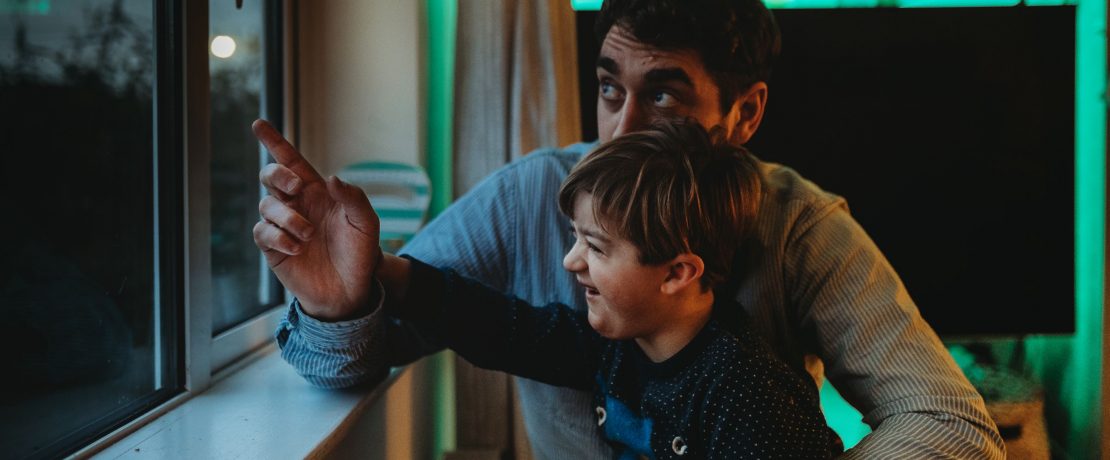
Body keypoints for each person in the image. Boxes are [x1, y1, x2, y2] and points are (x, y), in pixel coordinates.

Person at [253, 0, 1006, 457]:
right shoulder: (532, 194)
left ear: (744, 114)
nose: (622, 133)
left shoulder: (800, 232)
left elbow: (947, 422)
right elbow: (476, 330)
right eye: (611, 90)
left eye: (667, 100)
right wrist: (350, 295)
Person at [353, 121, 843, 458]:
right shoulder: (620, 346)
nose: (570, 262)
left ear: (677, 273)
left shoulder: (748, 396)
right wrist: (381, 269)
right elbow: (504, 329)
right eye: (574, 237)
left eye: (596, 247)